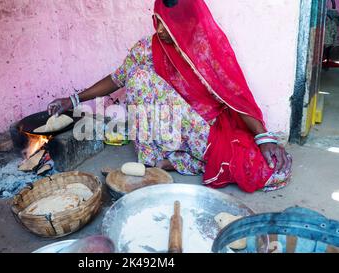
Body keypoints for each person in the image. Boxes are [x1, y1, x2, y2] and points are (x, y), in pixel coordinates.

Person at [47, 0, 292, 193]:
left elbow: (233, 95)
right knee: (139, 76)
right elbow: (116, 79)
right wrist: (74, 100)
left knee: (274, 172)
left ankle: (178, 161)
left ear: (185, 21)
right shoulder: (147, 48)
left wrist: (262, 137)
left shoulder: (205, 48)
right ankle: (157, 159)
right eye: (157, 21)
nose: (160, 29)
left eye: (167, 23)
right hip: (169, 130)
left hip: (204, 128)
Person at [323, 0, 339, 69]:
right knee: (327, 48)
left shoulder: (325, 13)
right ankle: (325, 62)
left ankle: (325, 62)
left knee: (326, 48)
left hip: (328, 32)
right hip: (329, 32)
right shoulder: (333, 13)